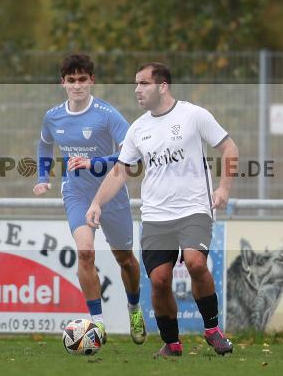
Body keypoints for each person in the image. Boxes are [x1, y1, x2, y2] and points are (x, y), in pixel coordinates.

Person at [86, 62, 239, 357]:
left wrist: (223, 189)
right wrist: (96, 203)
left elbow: (229, 149)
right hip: (156, 216)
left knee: (195, 264)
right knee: (159, 279)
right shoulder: (138, 129)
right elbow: (120, 172)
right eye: (136, 84)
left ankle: (212, 329)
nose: (137, 90)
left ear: (163, 86)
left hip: (195, 208)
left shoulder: (194, 115)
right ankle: (172, 343)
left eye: (143, 83)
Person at [33, 53, 146, 345]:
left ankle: (134, 308)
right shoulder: (53, 116)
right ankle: (97, 325)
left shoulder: (107, 114)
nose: (77, 86)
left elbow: (131, 155)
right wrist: (43, 178)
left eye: (83, 79)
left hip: (111, 192)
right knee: (85, 252)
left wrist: (94, 162)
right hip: (76, 192)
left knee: (126, 260)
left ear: (92, 81)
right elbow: (45, 145)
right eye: (71, 80)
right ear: (63, 83)